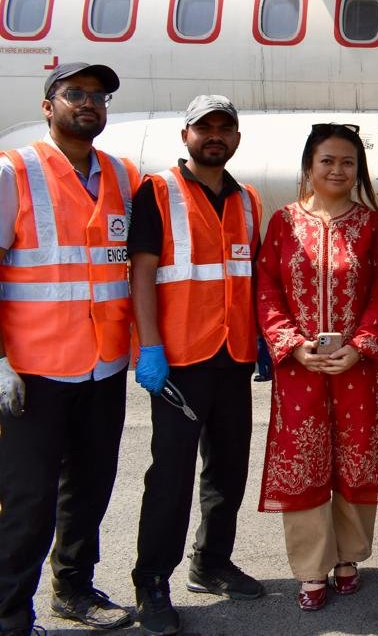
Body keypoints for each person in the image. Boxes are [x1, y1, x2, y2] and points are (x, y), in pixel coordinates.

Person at [0, 62, 139, 635]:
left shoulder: (124, 176)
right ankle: (9, 615)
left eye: (99, 96)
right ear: (47, 105)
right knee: (27, 501)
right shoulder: (14, 172)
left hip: (104, 366)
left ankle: (74, 590)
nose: (89, 103)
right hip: (34, 371)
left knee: (89, 491)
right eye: (75, 93)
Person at [128, 94, 265, 635]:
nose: (215, 136)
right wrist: (150, 347)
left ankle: (211, 562)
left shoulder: (247, 199)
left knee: (228, 470)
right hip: (179, 362)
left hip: (234, 358)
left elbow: (250, 277)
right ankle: (151, 581)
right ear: (185, 135)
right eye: (203, 127)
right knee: (170, 477)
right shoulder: (158, 191)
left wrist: (263, 342)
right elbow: (142, 273)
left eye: (224, 128)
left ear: (236, 138)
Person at [256, 122, 378, 610]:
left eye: (347, 162)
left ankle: (349, 555)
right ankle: (311, 567)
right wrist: (292, 345)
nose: (338, 170)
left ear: (358, 170)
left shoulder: (371, 225)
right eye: (328, 161)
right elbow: (267, 290)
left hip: (357, 368)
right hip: (300, 370)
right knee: (304, 463)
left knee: (355, 458)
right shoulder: (283, 222)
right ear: (309, 166)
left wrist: (360, 346)